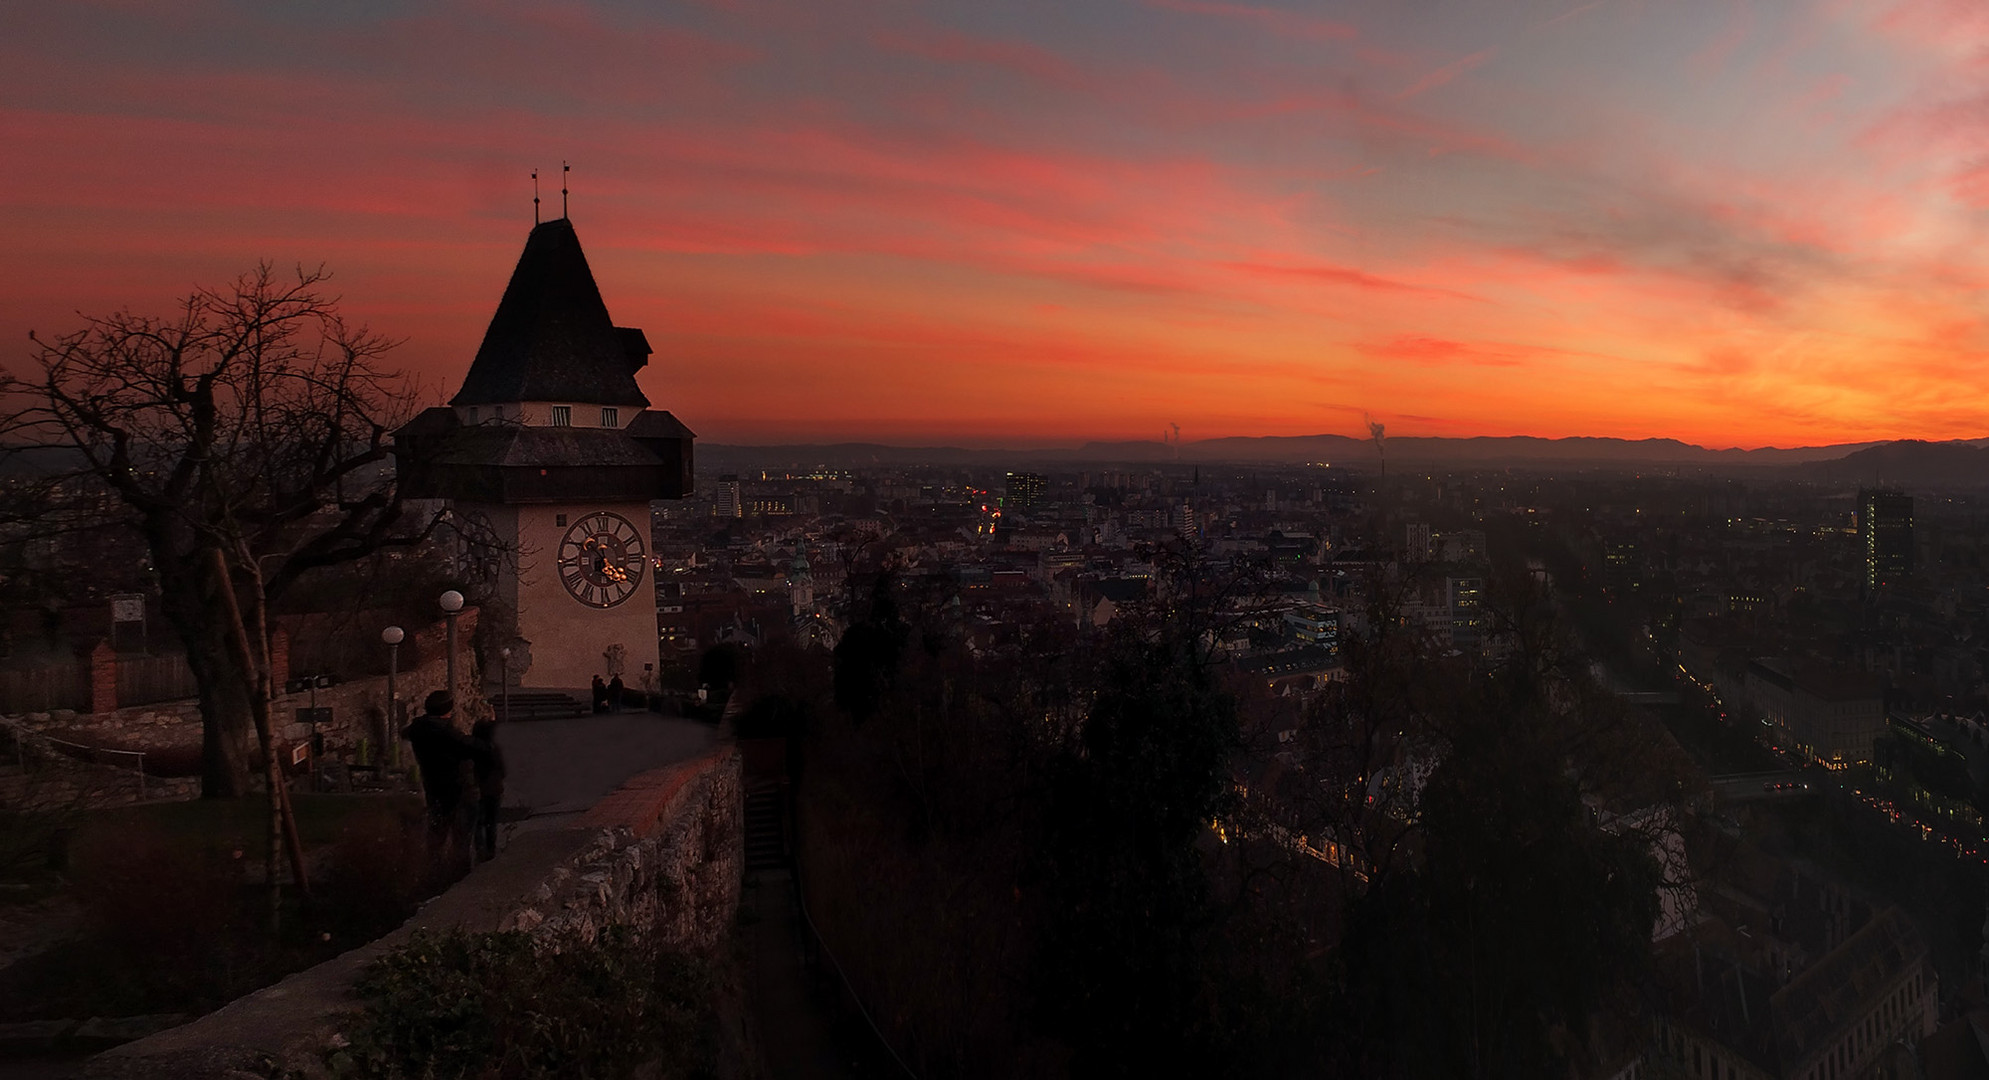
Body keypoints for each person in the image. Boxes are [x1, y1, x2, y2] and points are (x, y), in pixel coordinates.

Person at [402, 690, 492, 878]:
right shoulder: (445, 733)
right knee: (462, 839)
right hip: (458, 791)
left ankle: (432, 875)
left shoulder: (419, 728)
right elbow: (477, 748)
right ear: (447, 710)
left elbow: (406, 732)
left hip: (434, 788)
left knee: (436, 836)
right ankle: (460, 879)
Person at [469, 719, 506, 862]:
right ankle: (491, 851)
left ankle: (481, 850)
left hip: (479, 790)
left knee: (479, 822)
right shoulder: (495, 750)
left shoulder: (473, 751)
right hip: (494, 790)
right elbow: (503, 771)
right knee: (491, 822)